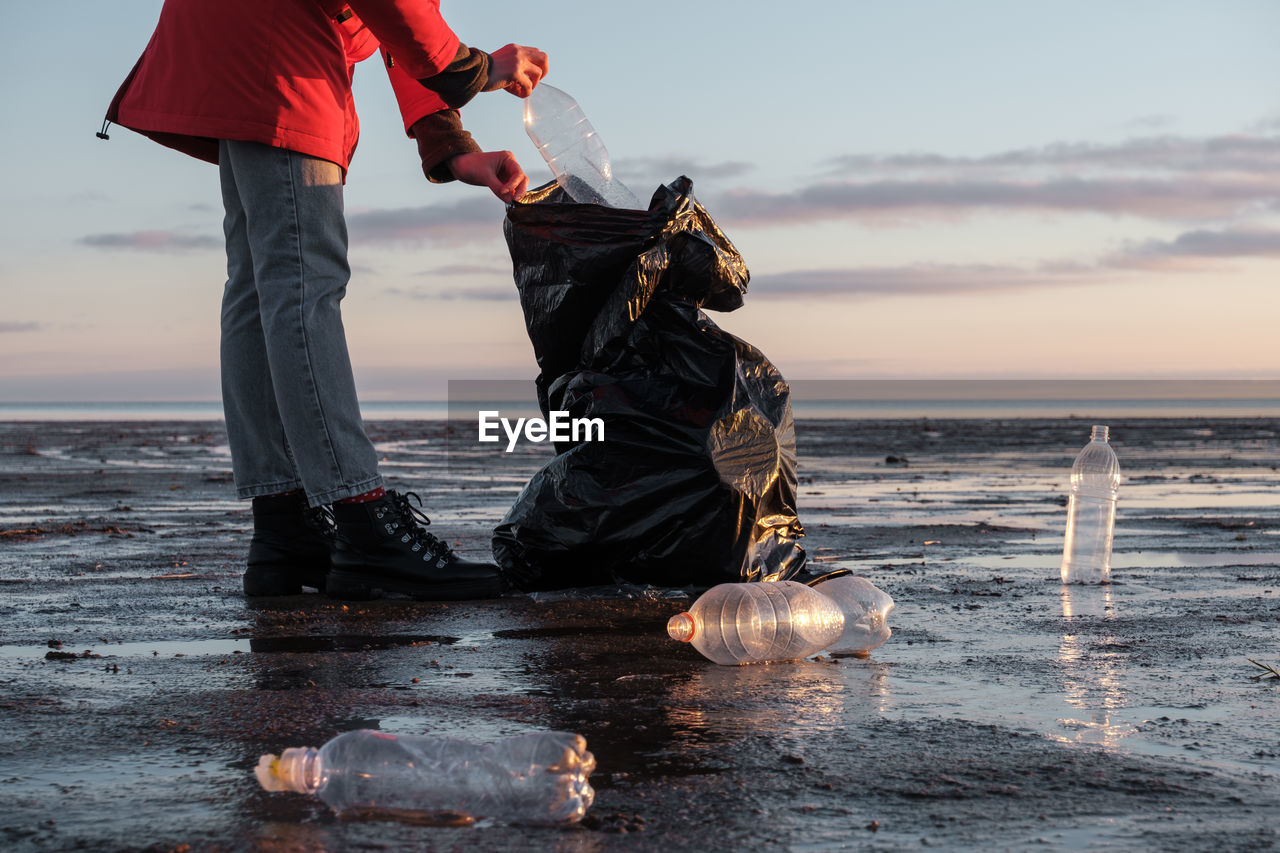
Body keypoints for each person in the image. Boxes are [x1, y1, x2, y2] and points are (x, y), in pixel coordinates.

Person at [102, 0, 548, 601]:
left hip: (236, 37)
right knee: (303, 282)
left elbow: (394, 27)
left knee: (260, 287)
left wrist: (449, 142)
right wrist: (472, 70)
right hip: (279, 45)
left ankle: (285, 527)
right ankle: (362, 520)